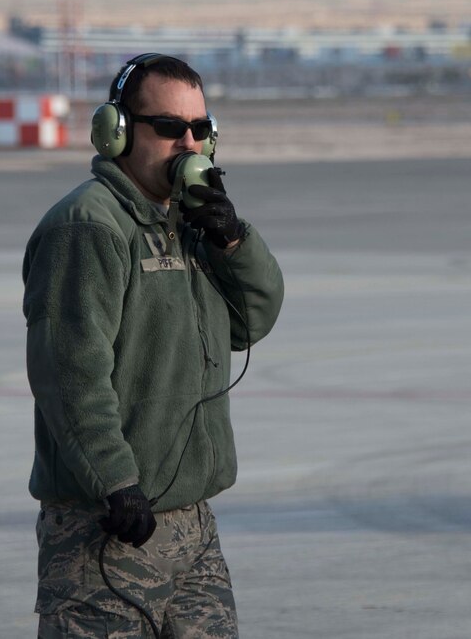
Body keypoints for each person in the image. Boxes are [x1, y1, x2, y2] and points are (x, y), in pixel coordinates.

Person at [23, 53, 284, 638]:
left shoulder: (189, 226)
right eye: (168, 128)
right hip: (109, 529)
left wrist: (233, 240)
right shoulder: (89, 227)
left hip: (192, 528)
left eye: (201, 129)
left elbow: (252, 321)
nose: (188, 143)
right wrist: (116, 481)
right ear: (116, 133)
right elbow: (70, 370)